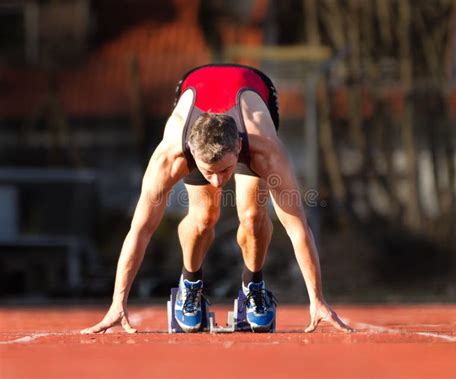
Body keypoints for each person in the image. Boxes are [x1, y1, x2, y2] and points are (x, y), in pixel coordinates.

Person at [81, 64, 352, 334]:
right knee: (203, 218)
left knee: (253, 217)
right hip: (195, 85)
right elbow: (140, 230)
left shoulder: (265, 150)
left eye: (225, 171)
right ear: (192, 156)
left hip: (253, 90)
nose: (218, 181)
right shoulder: (170, 156)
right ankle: (190, 284)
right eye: (209, 172)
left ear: (237, 148)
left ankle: (253, 286)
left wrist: (317, 300)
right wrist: (118, 302)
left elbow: (297, 228)